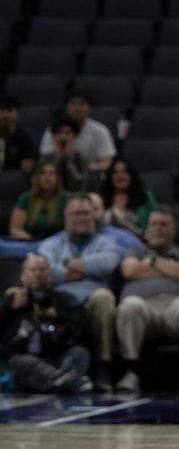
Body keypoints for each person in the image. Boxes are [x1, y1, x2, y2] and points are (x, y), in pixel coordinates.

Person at [114, 207, 179, 394]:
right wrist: (172, 269)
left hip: (175, 310)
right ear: (147, 228)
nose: (158, 228)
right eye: (154, 224)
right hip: (144, 309)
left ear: (173, 229)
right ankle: (131, 373)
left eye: (164, 224)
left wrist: (153, 263)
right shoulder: (134, 251)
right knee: (130, 305)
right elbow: (130, 271)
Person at [35, 194, 119, 391]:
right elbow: (46, 270)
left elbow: (107, 263)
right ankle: (59, 370)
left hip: (92, 301)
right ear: (66, 216)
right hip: (61, 303)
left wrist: (66, 265)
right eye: (76, 213)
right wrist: (87, 270)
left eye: (85, 213)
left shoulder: (107, 242)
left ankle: (103, 367)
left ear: (94, 216)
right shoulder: (50, 244)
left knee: (104, 297)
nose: (81, 217)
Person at [0, 254, 91, 393]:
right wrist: (9, 308)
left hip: (56, 359)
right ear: (23, 276)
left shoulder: (62, 299)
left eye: (43, 270)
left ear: (50, 275)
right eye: (33, 270)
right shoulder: (12, 300)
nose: (38, 274)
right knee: (20, 361)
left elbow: (84, 326)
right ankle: (63, 381)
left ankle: (61, 380)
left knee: (79, 352)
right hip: (24, 361)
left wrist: (57, 314)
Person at [38, 91, 115, 174]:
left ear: (89, 108)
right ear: (66, 107)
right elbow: (43, 161)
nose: (77, 108)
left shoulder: (100, 130)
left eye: (82, 103)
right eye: (73, 103)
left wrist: (82, 168)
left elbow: (107, 162)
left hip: (90, 173)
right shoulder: (53, 129)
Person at [9, 159, 68, 240]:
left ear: (58, 178)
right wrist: (35, 242)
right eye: (43, 173)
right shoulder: (25, 198)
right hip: (31, 243)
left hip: (59, 245)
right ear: (36, 177)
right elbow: (15, 229)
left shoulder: (66, 198)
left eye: (52, 173)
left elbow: (71, 230)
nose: (47, 177)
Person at [98, 157, 158, 236]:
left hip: (139, 243)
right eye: (115, 172)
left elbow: (156, 222)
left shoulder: (145, 196)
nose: (120, 176)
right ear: (110, 177)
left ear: (131, 175)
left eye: (125, 172)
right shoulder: (100, 199)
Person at [48, 117, 87, 192]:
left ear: (75, 136)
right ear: (53, 136)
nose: (63, 137)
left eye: (67, 133)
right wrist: (59, 156)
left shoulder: (79, 158)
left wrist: (68, 159)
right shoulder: (46, 158)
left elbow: (81, 182)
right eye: (59, 133)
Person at [0, 95, 36, 173]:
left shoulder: (24, 140)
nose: (5, 115)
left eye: (10, 110)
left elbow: (27, 169)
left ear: (17, 113)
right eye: (2, 110)